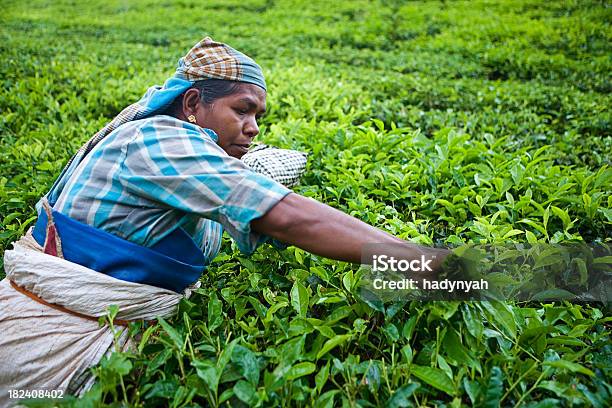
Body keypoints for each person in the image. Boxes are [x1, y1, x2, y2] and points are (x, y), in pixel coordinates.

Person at [0, 37, 448, 402]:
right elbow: (290, 218)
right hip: (48, 339)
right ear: (193, 103)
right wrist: (422, 262)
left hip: (99, 324)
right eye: (242, 110)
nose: (253, 127)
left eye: (258, 116)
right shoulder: (160, 139)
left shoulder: (175, 146)